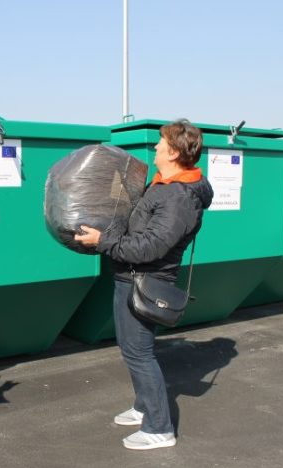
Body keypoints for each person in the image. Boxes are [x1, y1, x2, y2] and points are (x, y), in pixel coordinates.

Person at [75, 119, 213, 450]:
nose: (155, 147)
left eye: (161, 143)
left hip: (145, 279)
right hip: (132, 275)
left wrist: (102, 242)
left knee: (139, 353)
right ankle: (143, 407)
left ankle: (159, 428)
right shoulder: (165, 184)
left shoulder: (178, 196)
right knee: (132, 348)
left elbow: (149, 247)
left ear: (175, 152)